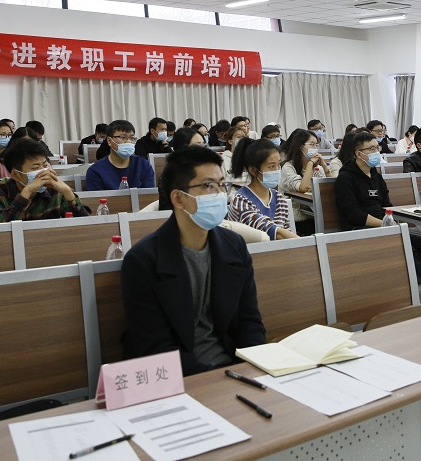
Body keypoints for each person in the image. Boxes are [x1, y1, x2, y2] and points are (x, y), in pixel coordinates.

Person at [120, 147, 265, 375]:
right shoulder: (143, 260)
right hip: (180, 377)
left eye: (222, 185)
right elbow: (155, 346)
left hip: (235, 370)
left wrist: (251, 370)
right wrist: (213, 380)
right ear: (178, 198)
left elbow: (250, 323)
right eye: (208, 186)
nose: (219, 194)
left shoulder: (234, 246)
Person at [0, 139, 89, 222]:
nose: (43, 172)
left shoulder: (54, 189)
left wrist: (68, 192)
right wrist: (27, 192)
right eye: (35, 168)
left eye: (45, 165)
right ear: (16, 175)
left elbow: (85, 224)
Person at [228, 138, 297, 240]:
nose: (277, 170)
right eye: (271, 166)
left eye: (278, 164)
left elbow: (287, 233)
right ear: (253, 170)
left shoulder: (279, 199)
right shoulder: (241, 200)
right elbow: (271, 232)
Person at [334, 131, 392, 230]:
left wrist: (390, 222)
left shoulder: (377, 176)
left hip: (382, 225)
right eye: (371, 149)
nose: (376, 152)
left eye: (377, 148)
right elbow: (353, 214)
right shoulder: (345, 177)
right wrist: (384, 224)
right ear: (358, 154)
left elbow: (387, 205)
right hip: (358, 228)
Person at [279, 129, 327, 235]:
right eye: (312, 144)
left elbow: (328, 186)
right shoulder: (288, 167)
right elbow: (303, 188)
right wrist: (310, 164)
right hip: (297, 218)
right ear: (301, 147)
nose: (315, 148)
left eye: (317, 145)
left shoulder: (317, 167)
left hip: (316, 214)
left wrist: (324, 165)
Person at [86, 119, 155, 191]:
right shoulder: (96, 170)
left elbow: (148, 195)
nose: (128, 142)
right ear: (109, 141)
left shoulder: (143, 165)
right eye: (123, 137)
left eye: (132, 138)